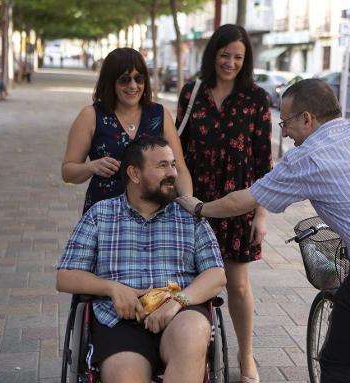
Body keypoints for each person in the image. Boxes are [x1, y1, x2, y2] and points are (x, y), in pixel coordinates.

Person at [177, 78, 350, 383]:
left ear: (307, 119)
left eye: (285, 122)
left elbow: (241, 201)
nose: (283, 131)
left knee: (337, 365)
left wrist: (200, 207)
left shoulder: (306, 157)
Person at [57, 136, 226, 383]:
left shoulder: (189, 217)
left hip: (179, 312)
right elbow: (65, 276)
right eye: (162, 166)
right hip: (120, 321)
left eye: (173, 165)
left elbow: (216, 274)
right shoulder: (101, 215)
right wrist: (112, 288)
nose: (172, 173)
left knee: (193, 331)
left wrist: (177, 302)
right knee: (126, 376)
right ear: (134, 174)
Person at [175, 24, 272, 383]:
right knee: (190, 280)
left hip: (236, 206)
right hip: (193, 204)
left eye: (237, 57)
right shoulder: (192, 92)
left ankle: (246, 357)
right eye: (224, 54)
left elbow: (264, 163)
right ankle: (189, 350)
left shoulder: (256, 99)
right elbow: (177, 149)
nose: (229, 62)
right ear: (212, 53)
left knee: (238, 285)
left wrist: (261, 214)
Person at [62, 47, 192, 214]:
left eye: (139, 79)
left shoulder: (159, 114)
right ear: (110, 82)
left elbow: (180, 169)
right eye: (124, 79)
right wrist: (91, 167)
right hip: (106, 216)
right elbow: (68, 172)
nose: (133, 86)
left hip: (156, 215)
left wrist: (189, 204)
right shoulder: (91, 115)